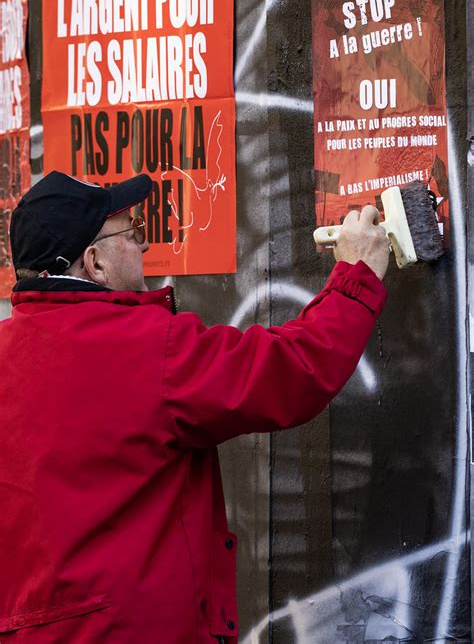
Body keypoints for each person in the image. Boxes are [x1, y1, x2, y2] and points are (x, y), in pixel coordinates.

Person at [0, 171, 389, 643]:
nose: (143, 247)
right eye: (133, 232)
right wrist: (356, 275)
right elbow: (294, 370)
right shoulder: (143, 350)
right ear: (95, 261)